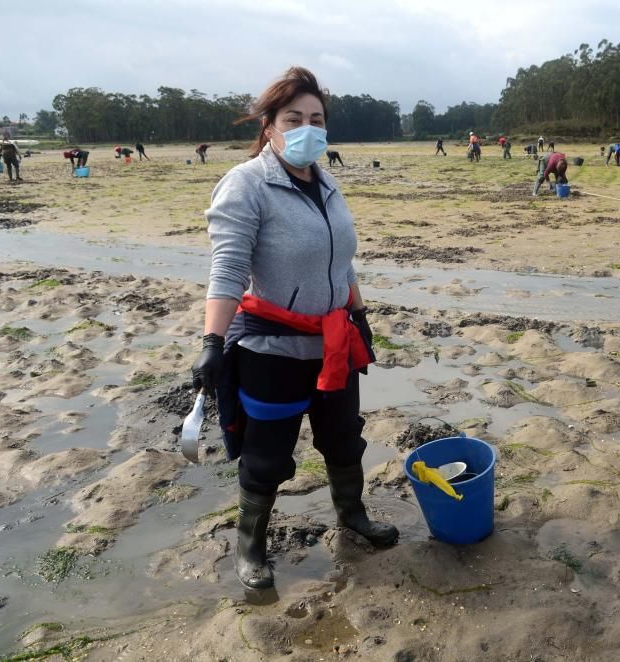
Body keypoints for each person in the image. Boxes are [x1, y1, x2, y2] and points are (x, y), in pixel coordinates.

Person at [191, 66, 397, 590]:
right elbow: (229, 267)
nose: (308, 127)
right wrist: (212, 342)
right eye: (294, 118)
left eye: (317, 118)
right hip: (272, 349)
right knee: (267, 455)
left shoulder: (326, 182)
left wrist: (361, 315)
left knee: (344, 439)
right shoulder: (246, 184)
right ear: (269, 125)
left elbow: (341, 261)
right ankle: (251, 548)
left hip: (334, 342)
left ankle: (352, 515)